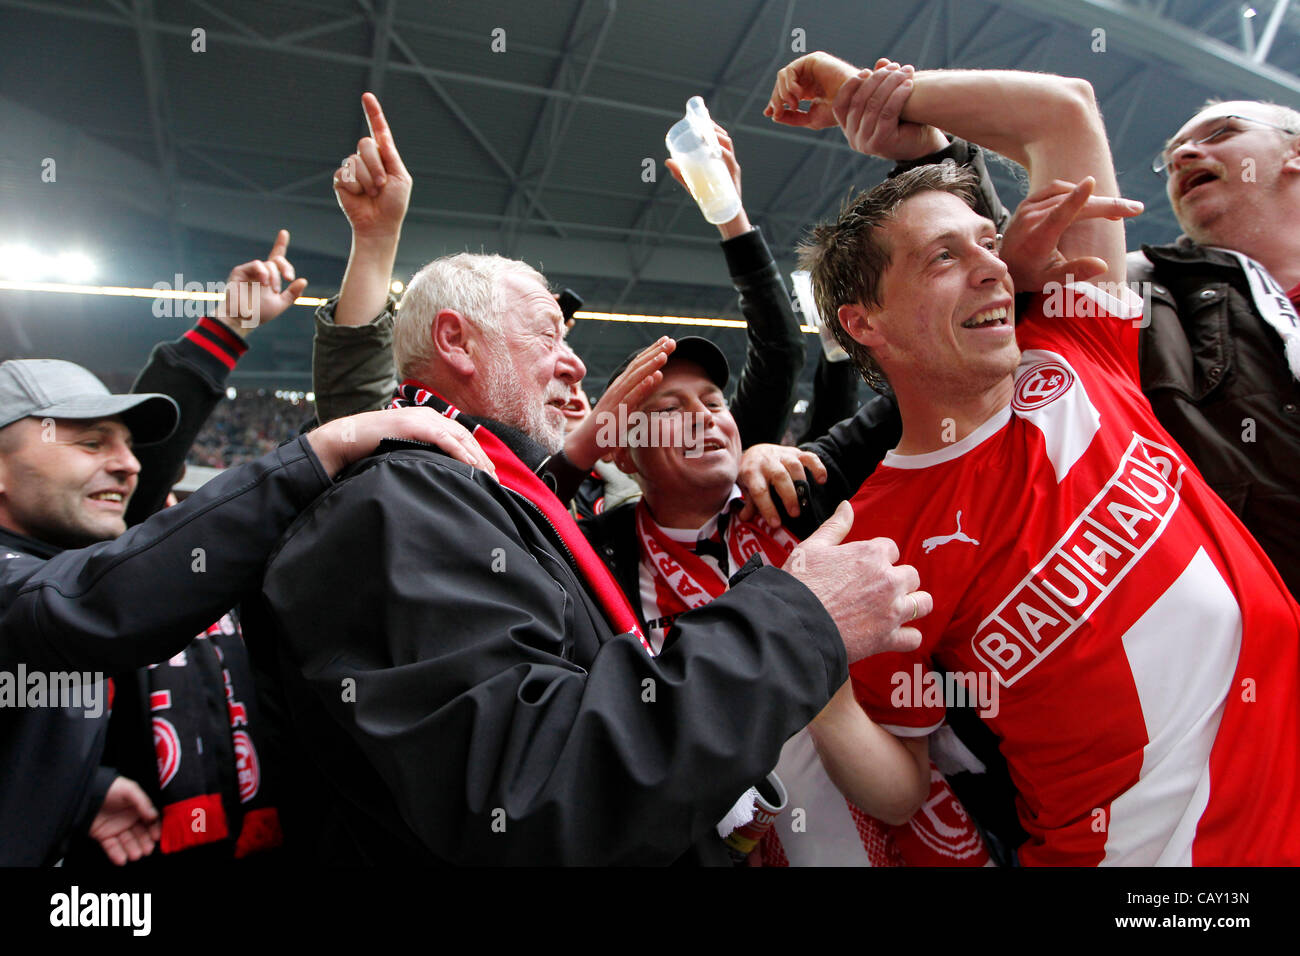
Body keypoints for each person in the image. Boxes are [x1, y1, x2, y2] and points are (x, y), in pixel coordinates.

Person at [768, 53, 1300, 865]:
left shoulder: (1079, 344)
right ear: (863, 323)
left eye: (988, 242)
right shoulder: (870, 545)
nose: (992, 265)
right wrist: (824, 686)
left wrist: (860, 89)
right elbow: (904, 784)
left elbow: (1065, 112)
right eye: (943, 257)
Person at [247, 231, 929, 863]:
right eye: (549, 333)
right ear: (455, 340)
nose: (575, 362)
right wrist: (800, 625)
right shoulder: (404, 500)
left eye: (714, 403)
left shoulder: (490, 499)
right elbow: (535, 789)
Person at [815, 63, 1300, 599]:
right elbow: (955, 361)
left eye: (1221, 133)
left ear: (1294, 152)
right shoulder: (1122, 292)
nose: (1184, 155)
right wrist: (882, 107)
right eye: (1172, 153)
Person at [0, 354, 493, 866]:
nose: (131, 463)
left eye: (128, 443)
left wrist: (83, 789)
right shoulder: (60, 584)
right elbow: (91, 604)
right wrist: (315, 455)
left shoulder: (83, 558)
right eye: (91, 442)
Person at [581, 335, 989, 866]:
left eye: (713, 402)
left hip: (904, 830)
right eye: (669, 410)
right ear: (624, 455)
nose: (704, 419)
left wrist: (806, 662)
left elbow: (904, 794)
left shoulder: (801, 499)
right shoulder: (600, 564)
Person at [311, 95, 808, 519]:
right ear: (620, 443)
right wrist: (375, 243)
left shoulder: (643, 508)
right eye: (547, 337)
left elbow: (781, 354)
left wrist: (731, 215)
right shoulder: (427, 480)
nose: (574, 373)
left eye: (714, 402)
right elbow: (361, 409)